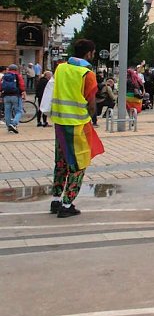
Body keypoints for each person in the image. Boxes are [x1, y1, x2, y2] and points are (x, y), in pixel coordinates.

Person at [50, 39, 103, 218]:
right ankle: (67, 204)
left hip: (59, 121)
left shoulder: (61, 68)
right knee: (78, 164)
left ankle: (56, 200)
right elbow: (91, 104)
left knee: (61, 162)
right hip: (77, 125)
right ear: (88, 53)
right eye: (93, 53)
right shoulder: (86, 74)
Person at [1, 64, 26, 134]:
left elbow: (1, 86)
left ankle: (9, 126)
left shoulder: (4, 76)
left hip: (6, 96)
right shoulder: (18, 75)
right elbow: (22, 86)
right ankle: (14, 124)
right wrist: (23, 92)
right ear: (16, 69)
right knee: (19, 111)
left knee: (7, 111)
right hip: (16, 96)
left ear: (9, 69)